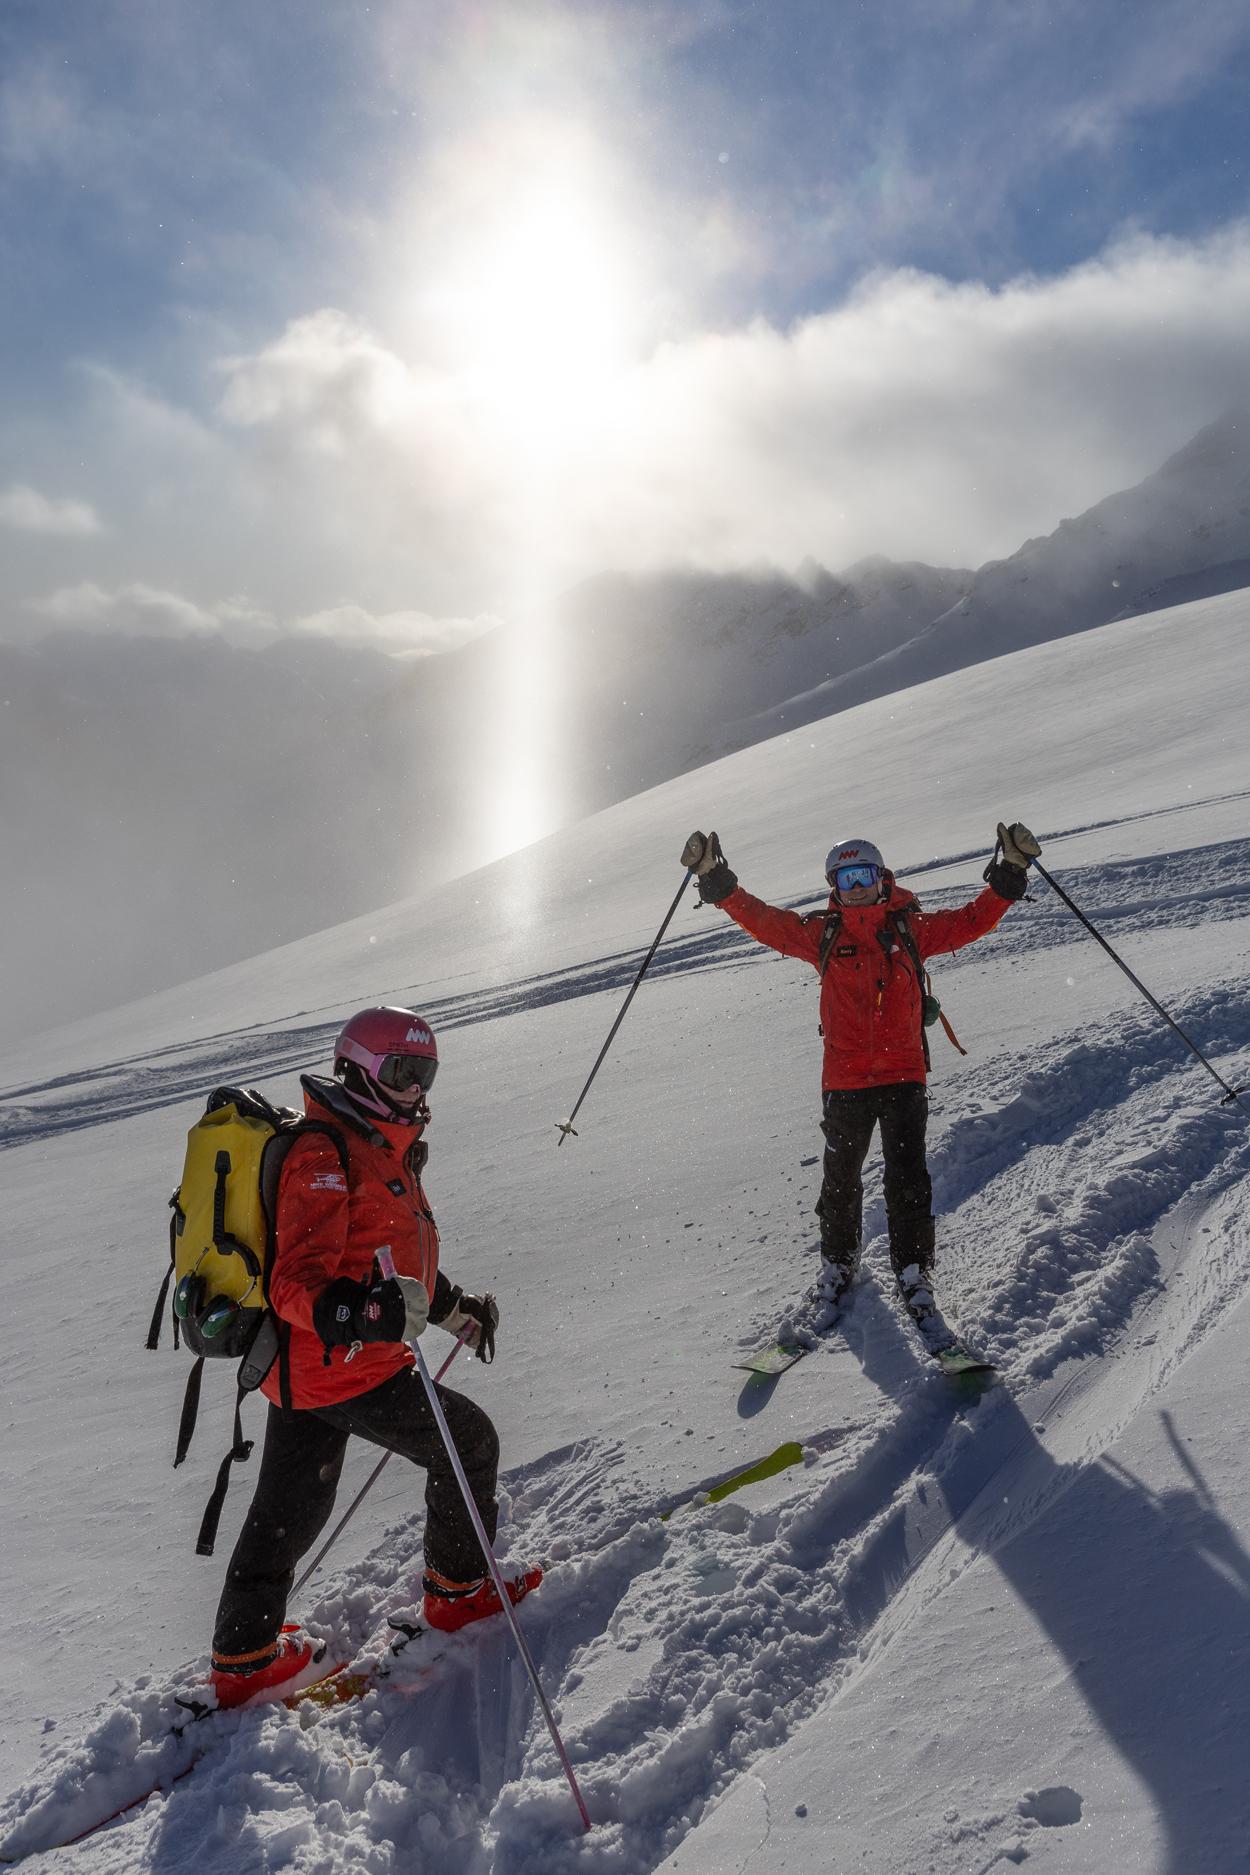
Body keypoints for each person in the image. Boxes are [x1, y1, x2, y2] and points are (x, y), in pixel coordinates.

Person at [208, 1006, 540, 1708]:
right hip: (345, 1366)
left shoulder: (381, 1146)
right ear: (357, 1069)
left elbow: (389, 1266)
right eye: (401, 1071)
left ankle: (243, 1659)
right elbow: (295, 1283)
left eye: (425, 1073)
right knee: (467, 1442)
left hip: (312, 1370)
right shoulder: (325, 1155)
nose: (416, 1088)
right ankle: (458, 1594)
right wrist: (362, 1314)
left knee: (291, 1508)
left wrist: (456, 1310)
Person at [680, 824, 1040, 1319]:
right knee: (840, 1182)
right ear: (834, 885)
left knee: (907, 1180)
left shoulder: (911, 929)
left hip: (903, 1076)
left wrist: (1011, 871)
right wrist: (715, 880)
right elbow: (765, 922)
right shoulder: (822, 934)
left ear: (881, 877)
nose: (855, 888)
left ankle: (914, 1270)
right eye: (845, 879)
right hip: (845, 1081)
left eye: (863, 877)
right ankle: (838, 1264)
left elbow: (970, 921)